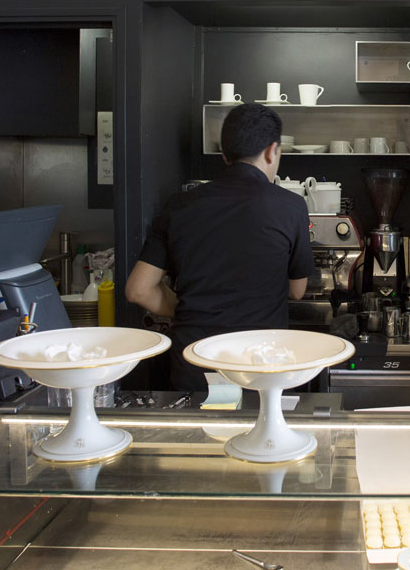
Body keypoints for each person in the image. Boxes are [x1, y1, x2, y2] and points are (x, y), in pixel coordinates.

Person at [125, 103, 315, 390]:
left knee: (199, 433)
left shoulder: (179, 206)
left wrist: (191, 309)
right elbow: (297, 290)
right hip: (260, 364)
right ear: (271, 151)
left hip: (196, 360)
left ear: (224, 155)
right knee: (262, 430)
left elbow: (138, 290)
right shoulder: (290, 206)